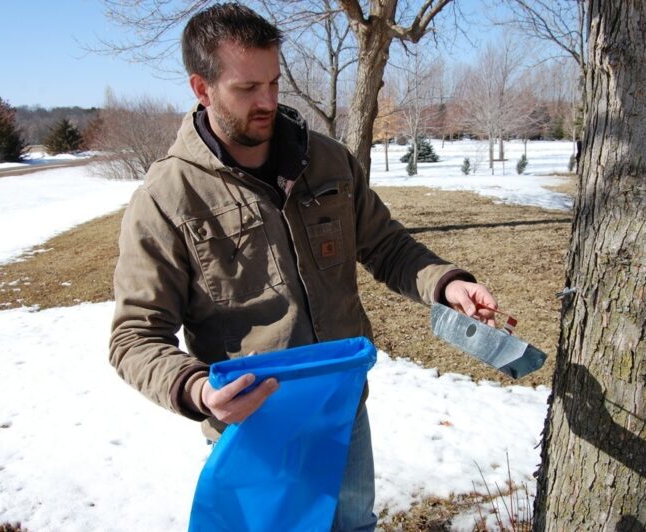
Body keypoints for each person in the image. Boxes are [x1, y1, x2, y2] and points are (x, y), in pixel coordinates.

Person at [109, 3, 499, 530]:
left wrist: (447, 284)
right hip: (254, 427)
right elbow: (134, 336)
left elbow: (387, 246)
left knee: (354, 524)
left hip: (341, 407)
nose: (268, 101)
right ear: (202, 88)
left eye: (274, 82)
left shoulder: (330, 161)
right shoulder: (166, 198)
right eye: (247, 89)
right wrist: (199, 391)